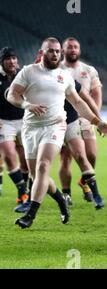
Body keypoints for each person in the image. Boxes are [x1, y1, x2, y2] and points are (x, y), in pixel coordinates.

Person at [7, 37, 107, 229]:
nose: (55, 54)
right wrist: (26, 104)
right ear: (43, 52)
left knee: (42, 167)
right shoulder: (28, 72)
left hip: (55, 126)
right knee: (37, 175)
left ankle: (30, 215)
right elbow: (11, 94)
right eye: (51, 51)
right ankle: (61, 200)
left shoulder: (64, 76)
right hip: (30, 129)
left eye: (57, 51)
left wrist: (98, 122)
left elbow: (78, 103)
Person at [60, 37, 105, 209]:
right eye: (69, 47)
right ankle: (67, 194)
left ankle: (84, 181)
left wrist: (96, 118)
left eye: (75, 47)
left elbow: (96, 94)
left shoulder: (88, 70)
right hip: (66, 118)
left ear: (79, 50)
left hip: (86, 118)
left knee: (91, 155)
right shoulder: (58, 68)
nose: (72, 50)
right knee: (66, 157)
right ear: (63, 50)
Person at [0, 47, 30, 211]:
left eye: (14, 58)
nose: (12, 61)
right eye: (8, 59)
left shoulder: (23, 74)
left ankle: (24, 191)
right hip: (4, 122)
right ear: (2, 61)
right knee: (9, 156)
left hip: (24, 120)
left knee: (26, 159)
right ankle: (22, 192)